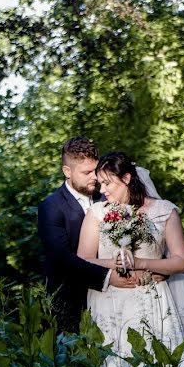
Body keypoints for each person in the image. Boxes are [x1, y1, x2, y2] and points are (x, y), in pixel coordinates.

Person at [77, 152, 184, 367]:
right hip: (111, 300)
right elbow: (82, 259)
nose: (103, 191)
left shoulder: (165, 211)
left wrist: (144, 263)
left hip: (153, 299)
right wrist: (116, 263)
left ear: (126, 178)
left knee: (160, 365)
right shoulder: (97, 213)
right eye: (100, 184)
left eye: (108, 183)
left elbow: (181, 262)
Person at [37, 137, 139, 334]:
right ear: (67, 171)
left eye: (96, 169)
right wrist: (108, 277)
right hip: (71, 305)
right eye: (86, 172)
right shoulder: (51, 207)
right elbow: (62, 260)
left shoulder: (109, 197)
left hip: (116, 300)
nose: (94, 177)